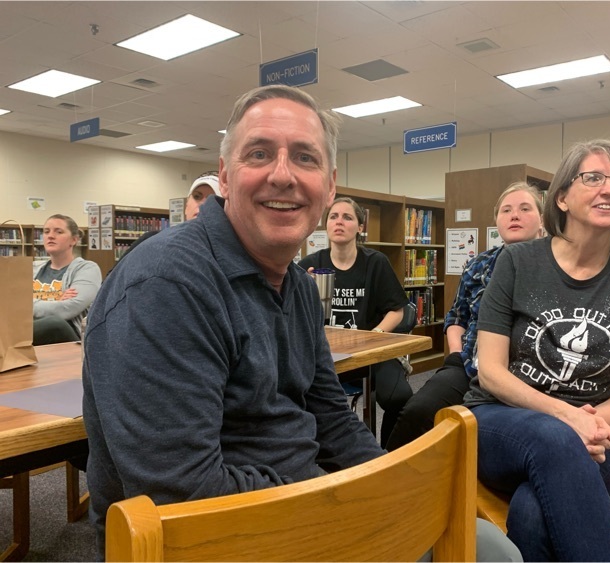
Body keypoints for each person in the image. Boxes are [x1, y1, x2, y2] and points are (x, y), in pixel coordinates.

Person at [82, 84, 520, 562]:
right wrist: (323, 492)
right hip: (222, 537)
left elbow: (331, 415)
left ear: (329, 187)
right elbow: (184, 496)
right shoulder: (166, 283)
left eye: (305, 158)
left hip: (299, 503)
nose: (283, 175)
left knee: (491, 548)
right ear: (225, 177)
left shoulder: (295, 284)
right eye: (259, 153)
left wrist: (393, 490)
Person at [465, 139, 610, 562]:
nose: (608, 188)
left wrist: (584, 425)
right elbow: (492, 372)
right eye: (593, 177)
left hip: (600, 434)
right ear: (561, 197)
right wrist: (567, 418)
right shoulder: (518, 262)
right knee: (554, 438)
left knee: (533, 513)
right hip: (502, 421)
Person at [386, 182, 544, 451]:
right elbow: (456, 317)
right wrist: (457, 354)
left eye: (525, 208)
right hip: (470, 365)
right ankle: (390, 484)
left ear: (543, 222)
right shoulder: (480, 264)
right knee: (417, 413)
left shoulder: (555, 268)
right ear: (496, 221)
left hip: (527, 375)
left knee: (499, 439)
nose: (514, 215)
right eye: (506, 210)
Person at [298, 197, 413, 448]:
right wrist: (302, 290)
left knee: (400, 397)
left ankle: (388, 453)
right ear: (326, 225)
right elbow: (289, 312)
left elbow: (397, 311)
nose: (339, 222)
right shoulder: (309, 266)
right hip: (324, 356)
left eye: (347, 217)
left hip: (370, 355)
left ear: (360, 227)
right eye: (333, 216)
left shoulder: (375, 263)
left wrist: (375, 335)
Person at [32, 214, 102, 345]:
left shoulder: (87, 269)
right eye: (46, 232)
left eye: (59, 232)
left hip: (68, 338)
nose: (50, 236)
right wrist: (57, 301)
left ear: (74, 240)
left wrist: (28, 304)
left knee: (54, 322)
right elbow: (10, 303)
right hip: (33, 335)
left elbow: (68, 309)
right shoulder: (33, 268)